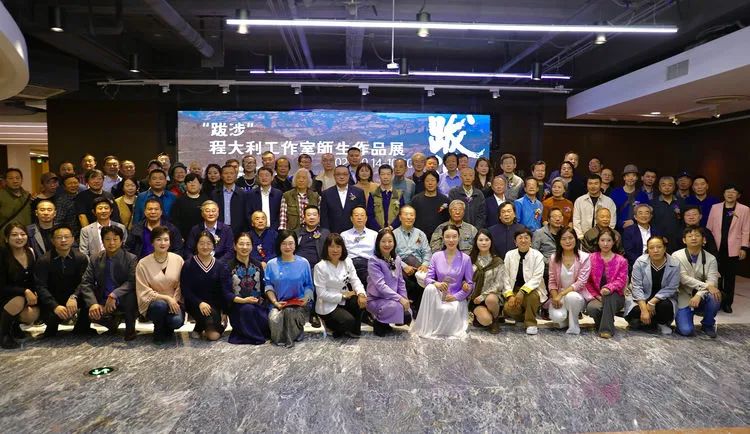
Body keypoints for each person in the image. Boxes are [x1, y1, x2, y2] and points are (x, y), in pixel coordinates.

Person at [411, 224, 474, 338]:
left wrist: (456, 297)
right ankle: (426, 327)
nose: (451, 240)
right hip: (438, 295)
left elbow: (470, 284)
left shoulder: (465, 259)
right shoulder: (436, 256)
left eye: (454, 236)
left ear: (459, 238)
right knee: (430, 288)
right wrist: (436, 284)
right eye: (447, 237)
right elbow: (428, 279)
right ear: (443, 238)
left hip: (455, 297)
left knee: (450, 309)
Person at [79, 225, 138, 341]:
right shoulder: (95, 258)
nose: (111, 243)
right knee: (89, 306)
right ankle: (112, 322)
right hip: (103, 298)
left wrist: (114, 295)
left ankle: (130, 330)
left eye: (115, 239)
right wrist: (93, 303)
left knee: (131, 296)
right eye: (107, 239)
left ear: (121, 241)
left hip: (122, 297)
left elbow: (132, 282)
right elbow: (86, 282)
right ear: (102, 241)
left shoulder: (131, 258)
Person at [34, 224, 91, 337]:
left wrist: (74, 296)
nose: (63, 240)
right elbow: (41, 287)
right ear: (52, 240)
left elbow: (84, 282)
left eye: (67, 237)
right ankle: (51, 326)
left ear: (73, 239)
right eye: (59, 237)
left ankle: (82, 328)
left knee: (90, 296)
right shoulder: (44, 261)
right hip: (53, 299)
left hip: (73, 297)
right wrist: (54, 306)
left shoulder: (81, 258)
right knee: (50, 322)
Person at [264, 230, 315, 348]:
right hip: (278, 304)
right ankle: (282, 338)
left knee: (290, 312)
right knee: (274, 319)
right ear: (279, 245)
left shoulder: (303, 263)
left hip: (299, 304)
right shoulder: (271, 264)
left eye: (291, 243)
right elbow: (268, 286)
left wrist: (306, 298)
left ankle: (291, 338)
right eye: (284, 243)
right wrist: (275, 302)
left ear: (295, 244)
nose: (287, 247)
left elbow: (309, 285)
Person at [135, 226, 185, 343]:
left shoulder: (178, 260)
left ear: (170, 242)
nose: (163, 243)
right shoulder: (143, 263)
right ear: (152, 242)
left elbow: (182, 284)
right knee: (160, 306)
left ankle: (167, 327)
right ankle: (158, 330)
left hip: (175, 301)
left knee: (176, 321)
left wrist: (174, 300)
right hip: (153, 303)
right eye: (158, 239)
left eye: (166, 240)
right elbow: (143, 290)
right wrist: (166, 298)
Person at [314, 233, 367, 338]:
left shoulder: (347, 261)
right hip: (327, 304)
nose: (335, 250)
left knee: (359, 302)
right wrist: (343, 296)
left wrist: (361, 294)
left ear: (342, 248)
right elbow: (321, 293)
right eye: (331, 246)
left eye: (338, 246)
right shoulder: (320, 267)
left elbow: (355, 280)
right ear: (326, 248)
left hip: (344, 299)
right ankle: (328, 324)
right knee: (348, 322)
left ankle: (350, 329)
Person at [706, 184, 749, 313]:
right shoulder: (715, 207)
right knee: (716, 277)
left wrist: (744, 247)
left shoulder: (744, 209)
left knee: (730, 278)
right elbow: (709, 227)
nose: (730, 194)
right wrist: (708, 246)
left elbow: (746, 229)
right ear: (724, 194)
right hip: (716, 248)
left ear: (738, 195)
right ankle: (716, 302)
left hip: (733, 248)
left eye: (733, 192)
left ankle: (727, 303)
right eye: (727, 192)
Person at [180, 231, 229, 341]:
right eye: (201, 243)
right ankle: (200, 326)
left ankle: (200, 327)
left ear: (213, 245)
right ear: (196, 245)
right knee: (211, 330)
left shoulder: (220, 265)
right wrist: (199, 303)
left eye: (208, 243)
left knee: (213, 336)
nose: (205, 247)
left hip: (214, 305)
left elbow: (224, 290)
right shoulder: (188, 264)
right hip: (195, 304)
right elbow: (185, 289)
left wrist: (225, 311)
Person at [625, 236, 679, 335]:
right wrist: (644, 310)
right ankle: (641, 321)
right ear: (648, 250)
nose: (655, 250)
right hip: (642, 297)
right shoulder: (640, 262)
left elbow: (671, 288)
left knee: (665, 306)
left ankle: (661, 323)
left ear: (665, 248)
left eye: (659, 247)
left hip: (662, 299)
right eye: (651, 248)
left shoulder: (674, 263)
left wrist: (652, 302)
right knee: (635, 310)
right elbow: (636, 287)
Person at [673, 226, 721, 338]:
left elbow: (712, 282)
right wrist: (706, 286)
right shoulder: (676, 256)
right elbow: (682, 278)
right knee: (686, 331)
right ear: (684, 240)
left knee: (715, 295)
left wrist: (699, 294)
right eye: (690, 236)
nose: (694, 238)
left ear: (704, 239)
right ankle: (684, 321)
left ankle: (708, 325)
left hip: (702, 296)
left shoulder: (711, 258)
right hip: (684, 296)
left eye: (697, 235)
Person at [224, 232, 270, 344]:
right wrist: (244, 301)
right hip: (238, 308)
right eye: (241, 244)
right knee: (247, 309)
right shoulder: (227, 267)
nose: (244, 247)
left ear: (252, 246)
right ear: (235, 246)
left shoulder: (258, 265)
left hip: (258, 305)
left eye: (248, 244)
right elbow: (226, 293)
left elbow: (263, 288)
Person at [584, 228, 629, 339]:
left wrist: (609, 288)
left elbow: (621, 280)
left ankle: (606, 330)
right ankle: (605, 322)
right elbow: (587, 281)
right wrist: (597, 296)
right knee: (592, 308)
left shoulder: (621, 260)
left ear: (613, 242)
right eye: (602, 240)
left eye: (609, 240)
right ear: (598, 242)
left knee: (609, 296)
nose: (605, 244)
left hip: (616, 297)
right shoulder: (591, 258)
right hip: (597, 296)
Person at [366, 229, 412, 336]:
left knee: (407, 313)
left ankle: (385, 322)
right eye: (383, 241)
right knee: (395, 307)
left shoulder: (397, 259)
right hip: (376, 299)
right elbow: (381, 286)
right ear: (378, 243)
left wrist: (404, 299)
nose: (387, 244)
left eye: (390, 241)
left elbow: (401, 282)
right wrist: (400, 299)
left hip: (392, 298)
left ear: (394, 243)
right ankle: (378, 321)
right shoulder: (374, 261)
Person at [0, 224, 40, 348]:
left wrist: (34, 291)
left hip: (23, 296)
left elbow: (34, 278)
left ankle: (14, 325)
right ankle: (4, 335)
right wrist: (25, 291)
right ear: (6, 238)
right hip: (5, 295)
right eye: (14, 235)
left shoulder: (30, 252)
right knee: (19, 300)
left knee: (32, 314)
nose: (19, 237)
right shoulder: (2, 255)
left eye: (23, 234)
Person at [547, 227, 591, 335]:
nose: (567, 241)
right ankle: (566, 317)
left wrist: (561, 294)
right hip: (559, 295)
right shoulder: (554, 258)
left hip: (577, 295)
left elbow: (580, 283)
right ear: (559, 241)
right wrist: (555, 297)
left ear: (576, 239)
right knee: (557, 317)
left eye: (570, 238)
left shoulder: (584, 257)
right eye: (563, 239)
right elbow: (552, 281)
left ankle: (574, 325)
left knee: (571, 297)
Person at [501, 228, 546, 335]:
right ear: (515, 242)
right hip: (514, 289)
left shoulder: (537, 255)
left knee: (532, 297)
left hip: (533, 289)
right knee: (508, 308)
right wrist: (509, 295)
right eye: (520, 238)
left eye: (526, 238)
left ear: (531, 241)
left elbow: (537, 277)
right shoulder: (509, 255)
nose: (523, 240)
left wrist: (522, 291)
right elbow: (505, 277)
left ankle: (531, 323)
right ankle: (522, 319)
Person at [294, 205, 330, 328]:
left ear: (319, 217)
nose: (312, 217)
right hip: (299, 266)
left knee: (316, 274)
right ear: (304, 218)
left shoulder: (325, 233)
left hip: (318, 266)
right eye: (308, 215)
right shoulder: (297, 233)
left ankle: (313, 314)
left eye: (314, 215)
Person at [393, 205, 431, 319]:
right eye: (406, 214)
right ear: (400, 217)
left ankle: (417, 307)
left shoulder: (420, 234)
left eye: (412, 215)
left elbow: (427, 252)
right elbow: (391, 255)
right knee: (409, 264)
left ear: (415, 217)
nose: (409, 217)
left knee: (421, 272)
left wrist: (425, 264)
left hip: (418, 266)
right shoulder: (393, 234)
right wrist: (404, 266)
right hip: (400, 266)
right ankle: (414, 307)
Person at [468, 229, 506, 334]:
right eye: (480, 240)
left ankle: (496, 319)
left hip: (492, 298)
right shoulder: (470, 260)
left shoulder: (497, 261)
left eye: (486, 240)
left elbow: (499, 284)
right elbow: (466, 279)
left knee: (491, 299)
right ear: (476, 242)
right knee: (486, 320)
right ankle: (484, 318)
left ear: (491, 242)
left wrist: (483, 296)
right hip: (475, 299)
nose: (484, 243)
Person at [319, 165, 366, 234]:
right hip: (333, 234)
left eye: (345, 174)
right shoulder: (326, 194)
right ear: (334, 176)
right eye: (338, 174)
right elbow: (324, 217)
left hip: (354, 233)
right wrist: (327, 234)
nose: (341, 177)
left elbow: (362, 214)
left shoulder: (358, 192)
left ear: (349, 176)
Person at [341, 206, 378, 288]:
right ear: (351, 218)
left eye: (362, 215)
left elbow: (378, 253)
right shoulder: (344, 235)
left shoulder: (374, 234)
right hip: (350, 264)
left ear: (366, 218)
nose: (359, 218)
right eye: (356, 215)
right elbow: (342, 254)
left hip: (368, 264)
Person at [573, 174, 617, 240]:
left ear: (601, 185)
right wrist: (581, 237)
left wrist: (605, 236)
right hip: (583, 238)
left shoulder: (609, 201)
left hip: (604, 239)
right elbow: (576, 221)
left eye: (596, 183)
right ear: (587, 185)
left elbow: (612, 222)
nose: (593, 186)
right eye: (590, 183)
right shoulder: (579, 201)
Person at [650, 176, 686, 253]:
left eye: (670, 185)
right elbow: (651, 223)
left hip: (679, 240)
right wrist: (659, 236)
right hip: (659, 240)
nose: (667, 188)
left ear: (674, 187)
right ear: (659, 188)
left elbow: (684, 221)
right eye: (663, 185)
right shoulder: (653, 203)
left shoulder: (681, 202)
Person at [210, 165, 248, 238]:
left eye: (231, 173)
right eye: (226, 173)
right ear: (221, 176)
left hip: (238, 232)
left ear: (236, 175)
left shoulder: (243, 194)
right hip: (218, 231)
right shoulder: (215, 194)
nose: (229, 176)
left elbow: (246, 215)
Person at [610, 164, 650, 232]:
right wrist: (621, 224)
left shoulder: (642, 195)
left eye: (633, 175)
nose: (631, 178)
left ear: (637, 178)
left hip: (638, 230)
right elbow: (610, 211)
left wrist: (633, 221)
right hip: (617, 230)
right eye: (628, 175)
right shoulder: (615, 193)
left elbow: (647, 213)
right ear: (624, 178)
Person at [411, 170, 449, 239]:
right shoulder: (416, 199)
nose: (430, 183)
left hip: (439, 237)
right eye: (427, 181)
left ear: (437, 182)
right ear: (424, 182)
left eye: (433, 180)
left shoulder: (444, 200)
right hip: (419, 237)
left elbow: (447, 220)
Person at [170, 173, 208, 240]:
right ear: (185, 185)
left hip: (203, 236)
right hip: (184, 236)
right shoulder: (179, 200)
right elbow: (175, 220)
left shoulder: (206, 200)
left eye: (195, 182)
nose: (192, 184)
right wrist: (179, 236)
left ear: (200, 185)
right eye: (189, 182)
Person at [0, 169, 32, 247]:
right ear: (5, 181)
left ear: (22, 180)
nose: (15, 181)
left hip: (24, 236)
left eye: (18, 178)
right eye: (11, 178)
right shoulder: (1, 196)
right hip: (5, 237)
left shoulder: (28, 196)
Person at [622, 203, 660, 269]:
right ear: (635, 217)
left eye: (647, 213)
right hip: (636, 265)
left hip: (655, 264)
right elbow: (629, 253)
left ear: (651, 216)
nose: (644, 215)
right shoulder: (628, 231)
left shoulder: (656, 231)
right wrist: (641, 264)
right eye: (640, 213)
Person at [532, 207, 565, 280]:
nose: (557, 219)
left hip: (564, 267)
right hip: (546, 268)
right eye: (554, 217)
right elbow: (534, 252)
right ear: (549, 220)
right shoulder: (539, 233)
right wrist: (549, 262)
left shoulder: (565, 232)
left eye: (560, 216)